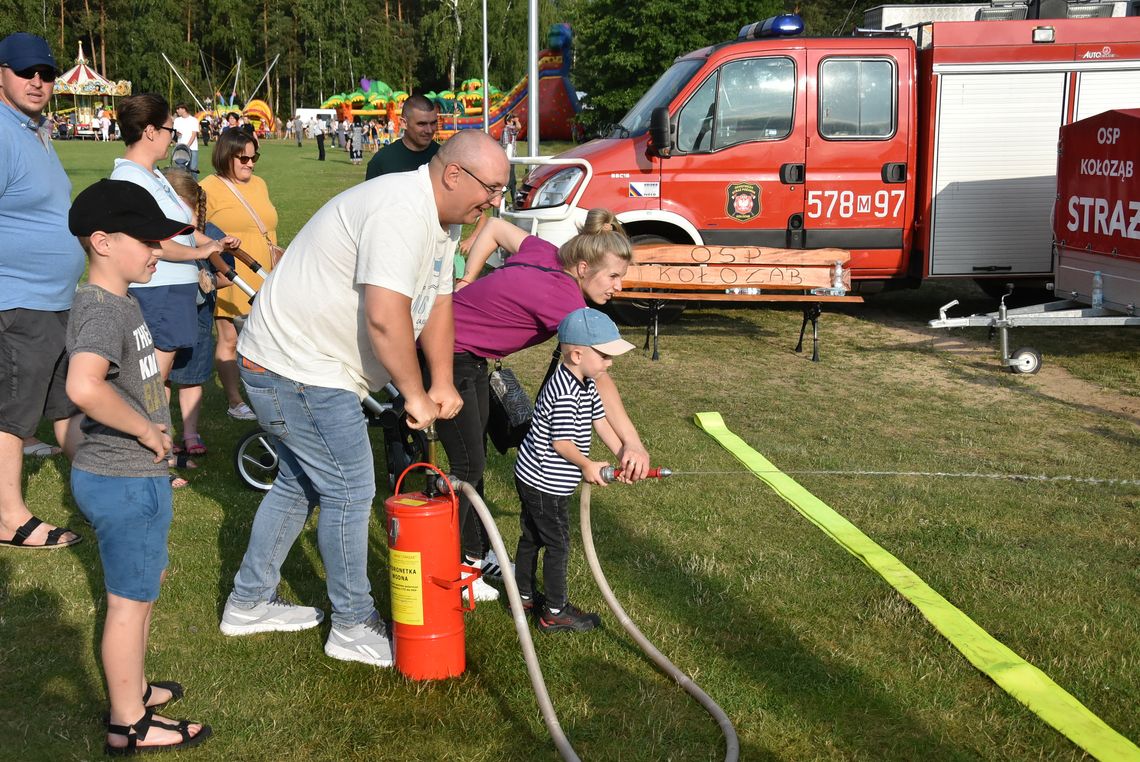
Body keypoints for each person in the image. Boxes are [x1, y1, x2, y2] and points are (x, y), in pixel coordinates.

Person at [219, 130, 508, 669]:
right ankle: (352, 625)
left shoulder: (443, 222)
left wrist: (441, 380)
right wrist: (415, 394)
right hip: (295, 367)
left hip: (305, 366)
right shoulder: (401, 210)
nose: (493, 202)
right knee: (352, 488)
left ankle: (248, 602)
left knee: (300, 483)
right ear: (453, 175)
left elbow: (437, 301)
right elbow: (385, 315)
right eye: (490, 189)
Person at [66, 179, 212, 754]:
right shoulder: (104, 310)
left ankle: (137, 689)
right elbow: (84, 385)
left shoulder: (116, 300)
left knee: (142, 590)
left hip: (129, 478)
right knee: (129, 604)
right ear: (102, 242)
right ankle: (128, 721)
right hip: (126, 480)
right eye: (148, 241)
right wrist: (145, 428)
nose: (158, 251)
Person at [431, 209, 649, 593]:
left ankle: (475, 552)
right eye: (613, 276)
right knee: (468, 462)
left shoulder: (546, 253)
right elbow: (599, 378)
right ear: (583, 267)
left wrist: (467, 280)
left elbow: (496, 229)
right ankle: (457, 567)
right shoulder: (568, 304)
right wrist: (630, 442)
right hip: (446, 352)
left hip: (466, 354)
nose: (618, 286)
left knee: (473, 455)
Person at [109, 94, 232, 484]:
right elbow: (153, 241)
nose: (172, 136)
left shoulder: (154, 174)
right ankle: (151, 461)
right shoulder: (130, 178)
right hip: (159, 291)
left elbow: (178, 227)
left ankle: (159, 453)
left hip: (173, 292)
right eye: (168, 129)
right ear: (149, 131)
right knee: (150, 383)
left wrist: (211, 242)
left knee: (155, 381)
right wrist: (201, 248)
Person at [0, 32, 85, 550]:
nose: (38, 81)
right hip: (19, 300)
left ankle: (107, 489)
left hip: (56, 297)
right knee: (12, 413)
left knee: (66, 404)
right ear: (1, 73)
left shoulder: (34, 129)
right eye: (26, 71)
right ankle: (9, 517)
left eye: (46, 73)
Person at [512, 308, 636, 632]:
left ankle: (522, 595)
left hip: (535, 476)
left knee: (533, 537)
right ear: (578, 354)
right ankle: (554, 611)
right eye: (605, 356)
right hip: (544, 482)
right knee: (557, 543)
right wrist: (587, 465)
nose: (610, 364)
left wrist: (622, 453)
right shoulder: (565, 390)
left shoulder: (586, 382)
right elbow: (562, 443)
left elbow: (600, 421)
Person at [200, 130, 278, 421]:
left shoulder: (260, 184)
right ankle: (234, 400)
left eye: (254, 156)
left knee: (266, 338)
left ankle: (267, 393)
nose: (250, 163)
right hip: (230, 273)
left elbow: (267, 225)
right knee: (229, 337)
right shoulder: (208, 187)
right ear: (226, 155)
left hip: (263, 269)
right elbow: (195, 229)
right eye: (243, 157)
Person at [164, 168, 230, 459]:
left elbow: (228, 274)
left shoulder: (207, 232)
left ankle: (190, 433)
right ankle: (162, 431)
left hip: (198, 318)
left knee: (191, 377)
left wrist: (209, 280)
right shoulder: (157, 231)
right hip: (163, 314)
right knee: (160, 376)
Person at [365, 94, 439, 180]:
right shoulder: (382, 161)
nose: (429, 130)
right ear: (404, 123)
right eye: (421, 124)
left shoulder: (443, 157)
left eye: (433, 123)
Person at [172, 103, 199, 174]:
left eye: (178, 109)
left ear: (184, 109)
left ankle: (194, 185)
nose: (177, 111)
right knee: (180, 170)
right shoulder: (177, 120)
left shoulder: (194, 120)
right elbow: (176, 133)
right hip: (180, 148)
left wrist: (187, 146)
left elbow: (194, 135)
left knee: (193, 169)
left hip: (192, 148)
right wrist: (177, 134)